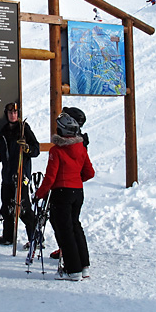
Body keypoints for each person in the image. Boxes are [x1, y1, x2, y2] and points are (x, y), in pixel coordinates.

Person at [34, 113, 95, 281]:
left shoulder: (57, 151)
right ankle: (84, 266)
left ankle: (72, 269)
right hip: (77, 192)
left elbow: (50, 177)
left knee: (65, 231)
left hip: (62, 193)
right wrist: (74, 179)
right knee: (75, 226)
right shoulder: (81, 148)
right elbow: (90, 172)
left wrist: (39, 194)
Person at [0, 101, 39, 247]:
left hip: (21, 175)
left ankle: (35, 239)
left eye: (15, 112)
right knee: (6, 209)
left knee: (24, 209)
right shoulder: (4, 131)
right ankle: (8, 237)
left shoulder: (24, 129)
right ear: (7, 114)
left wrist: (27, 148)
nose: (13, 115)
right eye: (10, 112)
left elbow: (36, 149)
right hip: (7, 176)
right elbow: (4, 153)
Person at [50, 106, 89, 260]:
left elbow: (54, 172)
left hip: (64, 189)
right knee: (72, 223)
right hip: (76, 189)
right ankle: (79, 258)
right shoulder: (80, 141)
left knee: (64, 223)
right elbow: (88, 171)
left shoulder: (68, 143)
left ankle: (69, 254)